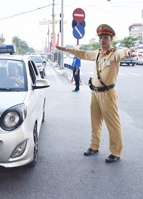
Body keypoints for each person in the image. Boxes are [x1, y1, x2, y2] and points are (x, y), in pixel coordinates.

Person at [56, 24, 135, 163]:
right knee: (95, 121)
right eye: (100, 37)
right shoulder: (97, 53)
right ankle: (94, 146)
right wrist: (67, 49)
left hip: (108, 94)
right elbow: (84, 54)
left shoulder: (114, 54)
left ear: (111, 39)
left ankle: (115, 152)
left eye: (105, 37)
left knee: (113, 124)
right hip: (95, 93)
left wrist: (129, 51)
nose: (102, 40)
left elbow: (123, 52)